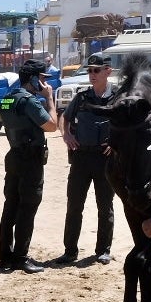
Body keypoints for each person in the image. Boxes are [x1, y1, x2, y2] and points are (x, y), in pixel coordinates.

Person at [0, 58, 58, 273]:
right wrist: (49, 99)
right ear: (33, 79)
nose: (44, 83)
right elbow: (52, 126)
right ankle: (20, 257)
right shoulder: (30, 101)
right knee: (27, 208)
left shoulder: (7, 99)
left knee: (10, 207)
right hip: (30, 160)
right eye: (42, 78)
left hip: (14, 156)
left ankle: (5, 257)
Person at [55, 53, 115, 265]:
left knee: (104, 206)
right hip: (81, 158)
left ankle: (103, 251)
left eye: (96, 70)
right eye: (89, 70)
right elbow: (65, 117)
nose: (92, 74)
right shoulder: (81, 97)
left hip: (104, 159)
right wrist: (67, 135)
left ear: (108, 71)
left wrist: (116, 144)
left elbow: (128, 125)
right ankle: (70, 251)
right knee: (74, 205)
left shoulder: (117, 97)